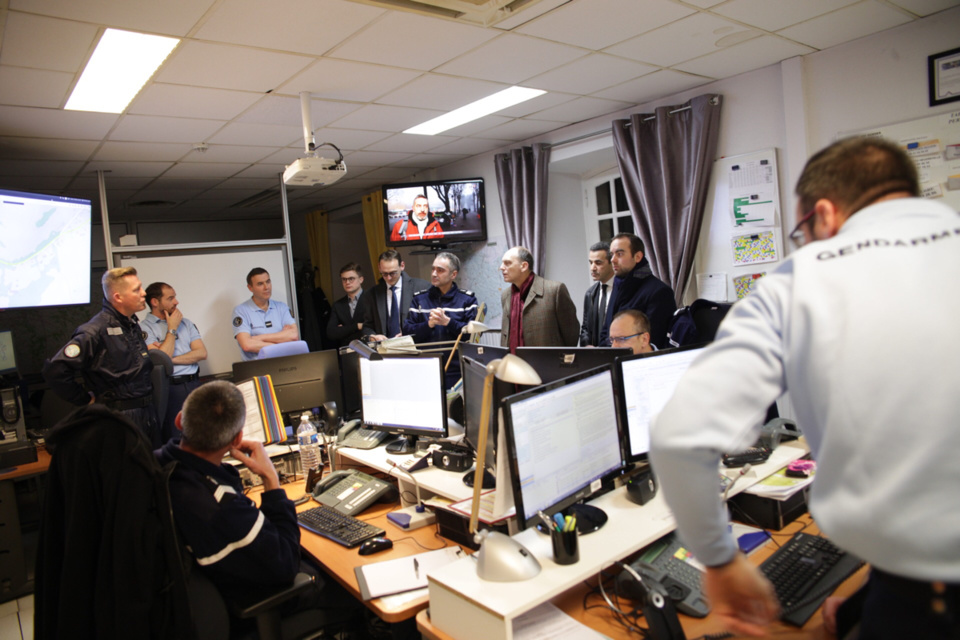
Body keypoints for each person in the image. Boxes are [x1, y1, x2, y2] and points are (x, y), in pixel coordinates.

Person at [649, 137, 960, 638]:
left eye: (803, 233)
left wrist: (721, 563)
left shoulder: (801, 282)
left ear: (825, 214)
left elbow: (680, 437)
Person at [155, 381, 349, 621]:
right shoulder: (220, 507)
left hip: (208, 588)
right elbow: (287, 563)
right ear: (237, 439)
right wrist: (271, 480)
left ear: (178, 421)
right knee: (347, 584)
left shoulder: (158, 465)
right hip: (248, 603)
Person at [43, 266, 161, 446]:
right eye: (136, 289)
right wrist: (84, 400)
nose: (143, 293)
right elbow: (56, 371)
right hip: (119, 417)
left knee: (152, 469)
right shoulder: (95, 331)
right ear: (118, 297)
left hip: (147, 412)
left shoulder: (131, 325)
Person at [142, 282, 207, 443]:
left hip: (194, 384)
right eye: (170, 298)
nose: (176, 302)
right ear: (155, 302)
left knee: (203, 436)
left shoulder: (186, 323)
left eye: (175, 297)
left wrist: (170, 359)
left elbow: (202, 353)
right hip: (170, 389)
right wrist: (171, 329)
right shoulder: (144, 328)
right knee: (177, 439)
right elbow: (160, 360)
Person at [403, 252, 478, 389]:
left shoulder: (468, 300)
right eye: (433, 269)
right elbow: (407, 333)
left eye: (440, 270)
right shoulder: (419, 299)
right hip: (426, 369)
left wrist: (448, 322)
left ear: (453, 275)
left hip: (458, 371)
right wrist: (429, 324)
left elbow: (472, 336)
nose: (434, 274)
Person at [599, 233, 676, 349]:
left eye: (619, 254)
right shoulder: (618, 285)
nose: (613, 260)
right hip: (613, 360)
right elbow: (606, 331)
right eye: (612, 255)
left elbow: (652, 341)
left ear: (638, 257)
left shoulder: (660, 292)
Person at [499, 246, 579, 352]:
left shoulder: (554, 290)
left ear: (524, 266)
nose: (501, 267)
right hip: (514, 365)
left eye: (507, 263)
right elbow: (506, 335)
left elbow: (571, 333)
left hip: (548, 364)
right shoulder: (506, 295)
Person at [361, 249, 429, 342]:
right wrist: (373, 337)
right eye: (384, 274)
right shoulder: (371, 294)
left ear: (402, 266)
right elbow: (367, 326)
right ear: (379, 268)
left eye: (393, 273)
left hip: (415, 346)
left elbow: (427, 323)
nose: (389, 278)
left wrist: (408, 334)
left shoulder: (421, 287)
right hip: (385, 349)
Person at [232, 267, 298, 361]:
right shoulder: (241, 311)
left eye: (268, 282)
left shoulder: (282, 307)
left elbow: (294, 336)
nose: (266, 287)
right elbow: (247, 345)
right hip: (257, 369)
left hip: (283, 366)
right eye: (260, 284)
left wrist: (259, 338)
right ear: (250, 288)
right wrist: (282, 343)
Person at [579, 241, 615, 347]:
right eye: (591, 262)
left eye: (598, 263)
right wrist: (587, 346)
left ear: (611, 262)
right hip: (595, 355)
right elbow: (585, 328)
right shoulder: (590, 293)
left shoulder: (622, 291)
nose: (592, 268)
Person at [326, 263, 366, 348]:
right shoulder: (338, 305)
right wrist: (357, 326)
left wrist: (344, 329)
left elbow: (373, 326)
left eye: (351, 279)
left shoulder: (371, 299)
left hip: (369, 349)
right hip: (346, 352)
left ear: (361, 279)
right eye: (344, 279)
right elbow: (331, 333)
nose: (347, 282)